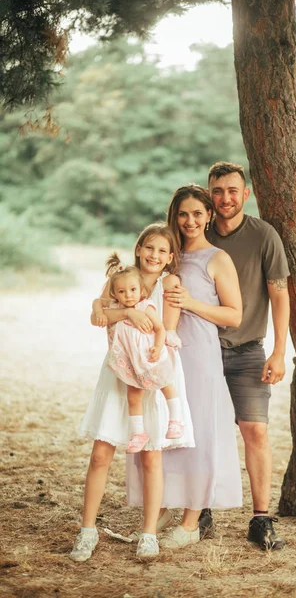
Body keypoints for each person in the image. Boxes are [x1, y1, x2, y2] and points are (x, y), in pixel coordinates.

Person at [167, 163, 290, 551]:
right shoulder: (190, 235)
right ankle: (199, 509)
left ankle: (260, 518)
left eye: (232, 191)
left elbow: (280, 294)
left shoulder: (262, 235)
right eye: (217, 191)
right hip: (197, 350)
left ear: (245, 194)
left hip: (247, 350)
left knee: (254, 430)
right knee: (198, 430)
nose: (225, 198)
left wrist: (279, 351)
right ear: (208, 194)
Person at [126, 185, 243, 549]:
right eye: (183, 214)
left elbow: (234, 315)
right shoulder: (164, 256)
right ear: (173, 216)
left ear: (209, 216)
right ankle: (160, 507)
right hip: (157, 355)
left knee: (197, 431)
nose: (190, 221)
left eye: (197, 213)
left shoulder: (217, 259)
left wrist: (191, 303)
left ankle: (191, 520)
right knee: (160, 429)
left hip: (199, 354)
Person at [70, 223, 194, 562]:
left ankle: (149, 533)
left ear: (170, 258)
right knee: (100, 454)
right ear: (139, 248)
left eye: (161, 251)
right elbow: (99, 316)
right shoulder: (120, 279)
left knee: (151, 455)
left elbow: (166, 328)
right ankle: (87, 530)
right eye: (148, 248)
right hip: (119, 371)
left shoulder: (169, 283)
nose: (154, 255)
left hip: (154, 368)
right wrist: (122, 311)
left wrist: (129, 318)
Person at [98, 252, 185, 453]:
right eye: (121, 291)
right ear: (115, 294)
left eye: (132, 289)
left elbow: (160, 328)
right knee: (133, 395)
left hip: (150, 355)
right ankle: (138, 433)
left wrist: (158, 345)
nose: (128, 295)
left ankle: (176, 419)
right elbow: (98, 306)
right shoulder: (116, 308)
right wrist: (99, 307)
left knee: (166, 384)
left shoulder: (146, 306)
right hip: (131, 360)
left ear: (141, 290)